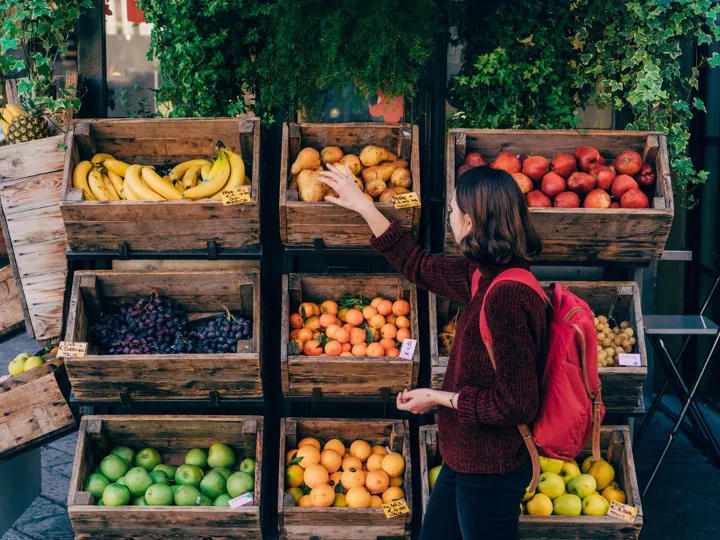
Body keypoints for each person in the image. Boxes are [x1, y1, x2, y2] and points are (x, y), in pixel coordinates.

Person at [318, 163, 547, 539]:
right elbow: (417, 265)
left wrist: (439, 397)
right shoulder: (483, 275)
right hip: (465, 457)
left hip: (491, 469)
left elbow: (516, 404)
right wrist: (364, 206)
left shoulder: (506, 295)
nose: (450, 220)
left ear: (471, 222)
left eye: (453, 213)